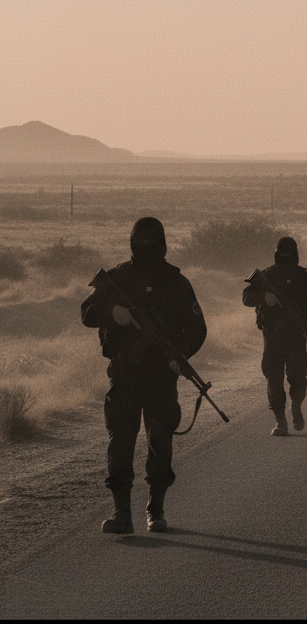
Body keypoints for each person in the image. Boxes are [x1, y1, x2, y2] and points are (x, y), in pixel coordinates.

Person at [81, 217, 207, 534]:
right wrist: (112, 312)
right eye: (143, 243)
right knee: (121, 444)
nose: (147, 249)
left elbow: (197, 329)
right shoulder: (117, 278)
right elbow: (87, 312)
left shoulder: (177, 283)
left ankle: (155, 509)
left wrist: (180, 357)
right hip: (125, 375)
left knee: (160, 444)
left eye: (152, 243)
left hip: (162, 376)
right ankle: (122, 513)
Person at [243, 237, 307, 436]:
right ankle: (281, 421)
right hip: (272, 338)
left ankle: (296, 407)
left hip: (296, 338)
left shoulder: (304, 278)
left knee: (298, 378)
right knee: (274, 379)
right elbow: (246, 297)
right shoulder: (265, 275)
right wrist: (264, 297)